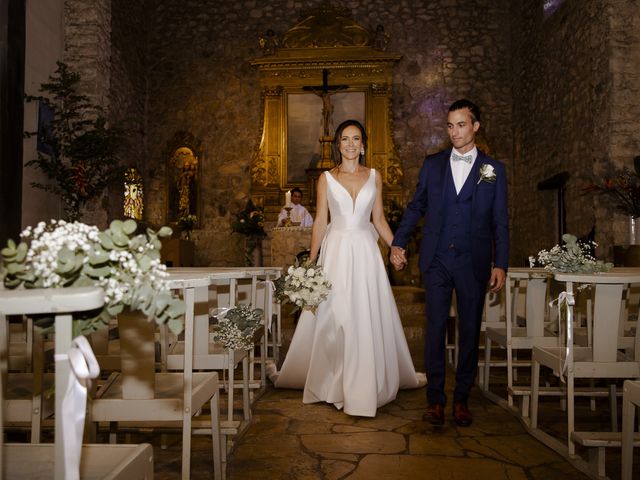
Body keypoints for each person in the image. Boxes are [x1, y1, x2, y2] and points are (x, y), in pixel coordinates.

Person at [269, 119, 424, 417]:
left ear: (363, 145)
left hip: (366, 252)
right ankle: (335, 379)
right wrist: (311, 263)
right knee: (337, 315)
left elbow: (378, 220)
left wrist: (395, 247)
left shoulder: (375, 177)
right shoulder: (325, 179)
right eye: (345, 139)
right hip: (337, 251)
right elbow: (320, 223)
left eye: (356, 139)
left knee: (364, 313)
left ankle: (364, 383)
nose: (350, 144)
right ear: (337, 144)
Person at [390, 99, 509, 427]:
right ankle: (436, 400)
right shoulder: (433, 165)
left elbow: (500, 221)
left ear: (475, 127)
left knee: (470, 330)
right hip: (437, 259)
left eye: (461, 124)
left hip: (474, 261)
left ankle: (462, 399)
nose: (454, 132)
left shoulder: (493, 170)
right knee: (435, 329)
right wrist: (398, 240)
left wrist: (501, 263)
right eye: (450, 125)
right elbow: (416, 206)